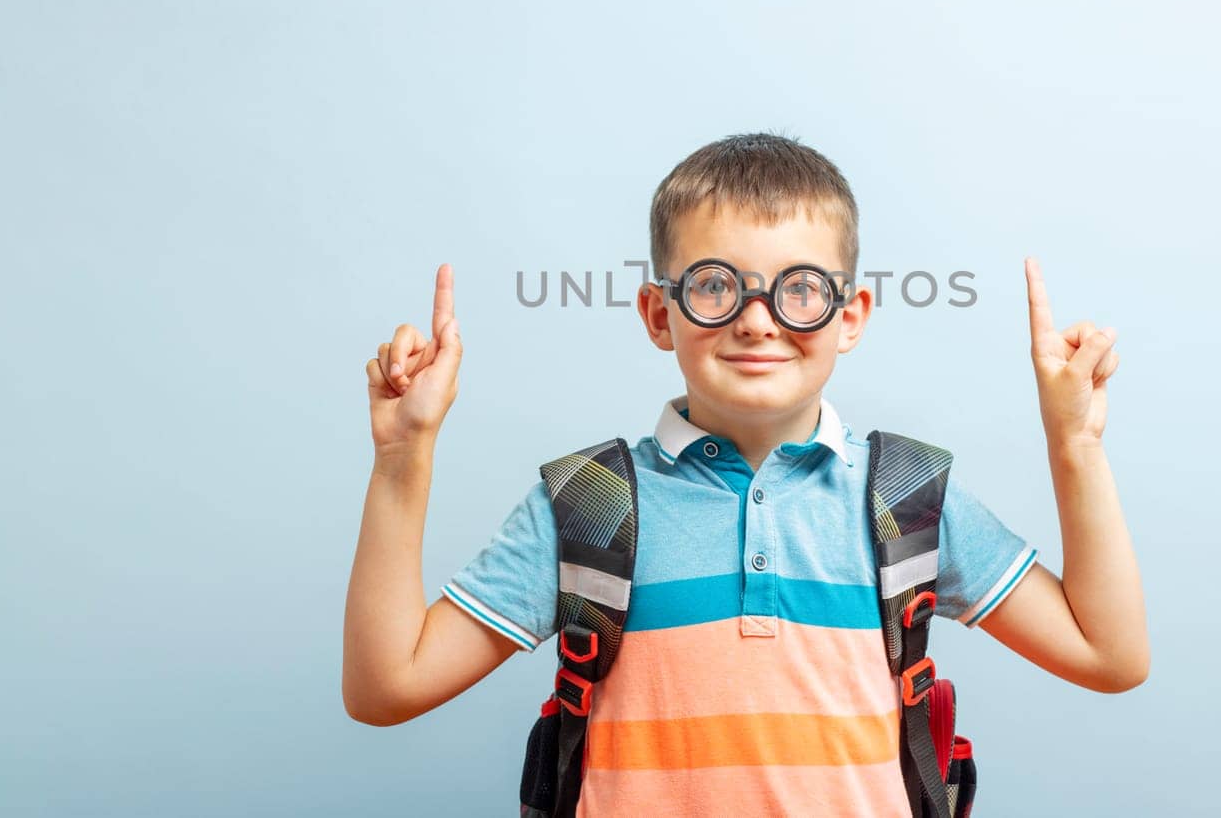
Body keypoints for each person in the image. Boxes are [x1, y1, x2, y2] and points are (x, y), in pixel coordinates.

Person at [342, 132, 1149, 815]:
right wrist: (403, 458)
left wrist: (1074, 443)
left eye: (800, 288)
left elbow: (1109, 655)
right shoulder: (587, 505)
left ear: (851, 316)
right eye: (715, 285)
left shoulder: (907, 495)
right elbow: (386, 687)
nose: (757, 319)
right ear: (661, 315)